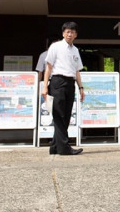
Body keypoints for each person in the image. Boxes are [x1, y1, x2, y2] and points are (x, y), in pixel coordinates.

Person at [42, 22, 85, 155]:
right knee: (58, 115)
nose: (69, 34)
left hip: (70, 83)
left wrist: (81, 87)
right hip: (57, 82)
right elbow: (48, 67)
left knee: (66, 116)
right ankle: (64, 148)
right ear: (63, 33)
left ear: (76, 35)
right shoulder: (55, 47)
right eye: (67, 31)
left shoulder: (75, 50)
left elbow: (77, 71)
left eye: (72, 32)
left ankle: (55, 146)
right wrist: (45, 87)